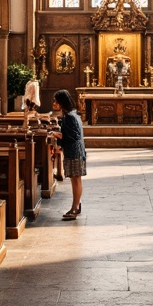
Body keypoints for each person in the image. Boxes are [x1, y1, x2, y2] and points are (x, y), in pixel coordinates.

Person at [48, 89, 86, 220]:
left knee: (76, 180)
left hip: (74, 151)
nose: (54, 103)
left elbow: (72, 136)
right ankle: (76, 205)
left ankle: (75, 208)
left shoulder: (70, 116)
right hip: (75, 151)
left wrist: (55, 134)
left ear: (61, 102)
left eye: (56, 101)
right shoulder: (71, 114)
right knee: (75, 179)